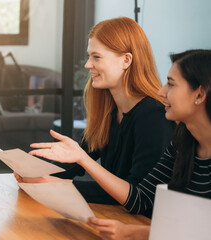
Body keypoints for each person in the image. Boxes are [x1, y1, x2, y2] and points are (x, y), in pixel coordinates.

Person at [31, 49, 211, 239]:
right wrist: (135, 232)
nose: (161, 91)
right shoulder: (182, 144)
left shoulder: (152, 117)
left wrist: (80, 162)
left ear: (199, 95)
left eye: (171, 84)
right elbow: (140, 198)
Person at [16, 17, 174, 208]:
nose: (87, 65)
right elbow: (74, 163)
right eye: (89, 56)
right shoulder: (109, 110)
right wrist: (36, 173)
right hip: (114, 218)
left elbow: (134, 195)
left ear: (126, 60)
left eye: (96, 57)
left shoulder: (154, 117)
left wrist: (55, 185)